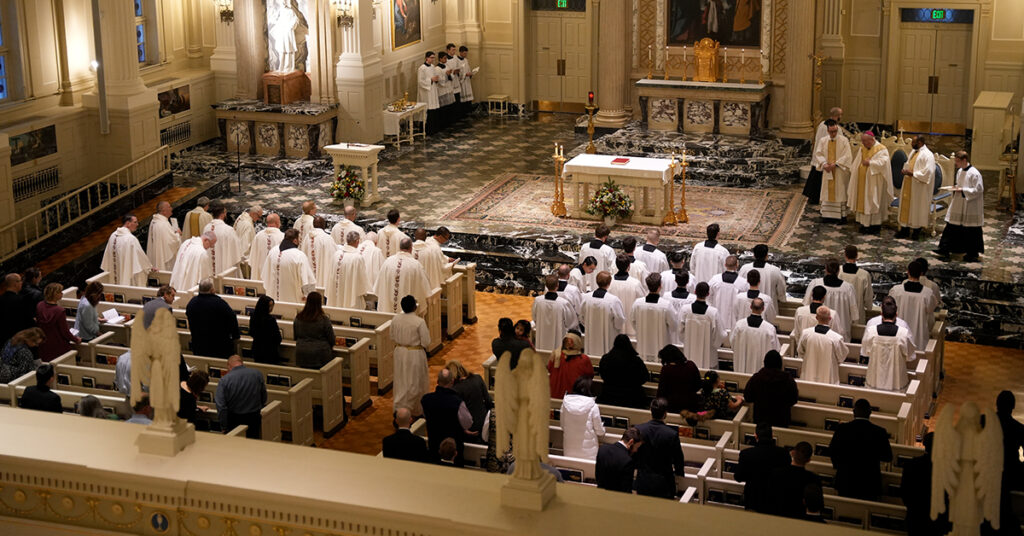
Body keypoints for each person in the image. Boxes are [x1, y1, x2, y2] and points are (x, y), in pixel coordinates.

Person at [829, 398, 893, 500]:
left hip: (845, 480)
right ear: (870, 412)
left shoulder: (842, 429)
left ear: (853, 412)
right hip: (870, 482)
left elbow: (832, 451)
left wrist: (839, 467)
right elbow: (888, 457)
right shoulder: (879, 432)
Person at [935, 150, 984, 262]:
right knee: (952, 226)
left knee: (971, 230)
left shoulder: (974, 173)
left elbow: (978, 190)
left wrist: (962, 190)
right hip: (959, 203)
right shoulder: (960, 171)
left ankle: (972, 253)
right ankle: (945, 249)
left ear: (964, 160)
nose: (956, 163)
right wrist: (955, 187)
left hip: (970, 205)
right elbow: (960, 184)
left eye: (957, 161)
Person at [900, 432, 952, 536]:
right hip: (938, 519)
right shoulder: (948, 470)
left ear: (924, 444)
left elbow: (904, 492)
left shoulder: (911, 465)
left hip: (915, 516)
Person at [634, 397, 686, 499]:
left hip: (643, 481)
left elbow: (633, 453)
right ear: (665, 414)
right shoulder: (671, 434)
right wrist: (680, 473)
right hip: (664, 483)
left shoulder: (639, 429)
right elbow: (678, 458)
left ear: (651, 411)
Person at [420, 368, 474, 465]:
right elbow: (468, 423)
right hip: (453, 450)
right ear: (452, 381)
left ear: (437, 382)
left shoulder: (426, 399)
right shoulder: (458, 402)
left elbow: (426, 416)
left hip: (434, 446)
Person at [734, 421, 791, 513]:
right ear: (772, 436)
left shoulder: (746, 454)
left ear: (755, 436)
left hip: (753, 500)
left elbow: (738, 477)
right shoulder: (784, 454)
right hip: (776, 499)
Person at [862, 300, 916, 391]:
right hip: (897, 380)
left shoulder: (871, 331)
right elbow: (910, 356)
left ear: (881, 314)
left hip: (874, 378)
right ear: (896, 315)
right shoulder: (903, 333)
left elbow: (865, 352)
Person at [848, 131, 894, 235]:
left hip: (875, 182)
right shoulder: (862, 148)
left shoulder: (881, 149)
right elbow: (857, 162)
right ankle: (864, 225)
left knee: (873, 202)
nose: (863, 143)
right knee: (863, 202)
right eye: (862, 141)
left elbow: (884, 163)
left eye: (865, 141)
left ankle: (875, 226)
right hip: (862, 182)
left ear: (872, 140)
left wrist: (870, 163)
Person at [392, 295, 431, 416]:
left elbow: (392, 336)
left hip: (399, 352)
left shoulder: (396, 319)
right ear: (414, 307)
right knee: (415, 382)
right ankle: (415, 410)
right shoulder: (419, 321)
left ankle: (399, 409)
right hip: (414, 353)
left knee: (401, 381)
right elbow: (426, 341)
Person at [887, 260, 938, 352]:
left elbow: (889, 308)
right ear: (921, 273)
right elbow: (931, 309)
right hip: (918, 334)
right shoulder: (927, 293)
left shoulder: (896, 291)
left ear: (908, 272)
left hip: (899, 331)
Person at [802, 260, 858, 341]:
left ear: (826, 269)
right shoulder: (848, 288)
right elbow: (854, 314)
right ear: (839, 271)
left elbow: (806, 305)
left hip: (817, 331)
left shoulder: (816, 284)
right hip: (840, 330)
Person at [215, 355, 267, 439]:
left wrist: (224, 426)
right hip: (254, 417)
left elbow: (221, 406)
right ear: (242, 363)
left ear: (229, 365)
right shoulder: (257, 374)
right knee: (254, 444)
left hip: (235, 420)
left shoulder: (225, 380)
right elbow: (263, 396)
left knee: (237, 447)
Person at [811, 118, 853, 223]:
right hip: (827, 171)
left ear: (837, 129)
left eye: (835, 131)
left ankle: (841, 216)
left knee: (840, 192)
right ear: (827, 131)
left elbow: (847, 155)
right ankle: (827, 215)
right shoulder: (823, 140)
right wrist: (824, 164)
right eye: (831, 131)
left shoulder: (844, 141)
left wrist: (836, 164)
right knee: (826, 192)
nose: (833, 133)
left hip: (839, 171)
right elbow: (818, 154)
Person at [374, 238, 430, 315]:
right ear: (411, 248)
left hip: (387, 313)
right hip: (407, 313)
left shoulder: (387, 262)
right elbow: (424, 288)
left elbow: (379, 286)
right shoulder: (415, 265)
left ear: (399, 248)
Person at [186, 279, 240, 358]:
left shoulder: (192, 303)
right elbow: (232, 319)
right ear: (212, 290)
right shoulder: (220, 303)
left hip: (199, 345)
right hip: (219, 346)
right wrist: (236, 337)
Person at [743, 350, 798, 427]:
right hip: (781, 421)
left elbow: (748, 397)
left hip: (761, 423)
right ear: (780, 363)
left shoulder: (757, 378)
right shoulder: (788, 379)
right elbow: (793, 399)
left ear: (765, 362)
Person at [896, 135, 936, 240]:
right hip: (909, 184)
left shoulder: (928, 155)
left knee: (917, 208)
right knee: (907, 208)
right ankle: (904, 230)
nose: (911, 144)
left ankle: (916, 232)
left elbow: (929, 172)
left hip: (919, 187)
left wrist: (913, 173)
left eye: (913, 142)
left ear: (920, 142)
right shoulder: (914, 152)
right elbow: (908, 164)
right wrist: (905, 170)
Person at [631, 274, 678, 362]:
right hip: (661, 346)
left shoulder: (638, 303)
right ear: (660, 286)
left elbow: (633, 322)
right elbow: (674, 325)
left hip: (643, 344)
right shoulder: (666, 305)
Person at [596, 334, 650, 409]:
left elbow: (602, 375)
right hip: (632, 398)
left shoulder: (606, 358)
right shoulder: (635, 360)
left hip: (608, 396)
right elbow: (645, 377)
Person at [679, 282, 725, 370]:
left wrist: (687, 340)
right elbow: (720, 334)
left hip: (690, 351)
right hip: (708, 354)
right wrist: (715, 344)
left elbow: (680, 331)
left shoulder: (685, 310)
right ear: (708, 294)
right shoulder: (713, 312)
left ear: (695, 292)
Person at [262, 228, 315, 303]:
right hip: (293, 301)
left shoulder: (272, 251)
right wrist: (308, 296)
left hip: (272, 301)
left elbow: (265, 276)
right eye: (299, 239)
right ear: (295, 241)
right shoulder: (299, 255)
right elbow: (308, 280)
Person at [579, 271, 625, 357]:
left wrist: (589, 324)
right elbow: (620, 320)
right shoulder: (613, 300)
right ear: (609, 283)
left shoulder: (586, 298)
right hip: (608, 336)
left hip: (591, 334)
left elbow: (581, 317)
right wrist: (615, 327)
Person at [559, 376, 606, 460]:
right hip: (589, 453)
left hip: (569, 449)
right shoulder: (593, 406)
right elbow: (600, 432)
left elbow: (562, 426)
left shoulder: (565, 404)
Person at [797, 306, 846, 384]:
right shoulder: (836, 338)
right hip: (828, 377)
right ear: (830, 318)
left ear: (816, 317)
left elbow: (800, 351)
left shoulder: (806, 333)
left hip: (809, 374)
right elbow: (841, 357)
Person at [730, 298, 781, 374]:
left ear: (750, 307)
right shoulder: (769, 328)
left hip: (741, 366)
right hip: (760, 371)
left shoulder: (739, 325)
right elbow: (775, 350)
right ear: (763, 309)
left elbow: (732, 343)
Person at [100, 213, 153, 286]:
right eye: (135, 222)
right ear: (128, 223)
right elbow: (141, 258)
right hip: (126, 274)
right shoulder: (131, 239)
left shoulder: (113, 235)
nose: (137, 224)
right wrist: (150, 267)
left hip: (115, 274)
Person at [773, 441, 822, 519]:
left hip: (777, 517)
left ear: (792, 453)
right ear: (809, 460)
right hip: (800, 519)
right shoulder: (814, 479)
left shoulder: (776, 474)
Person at [446, 360, 491, 442]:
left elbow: (456, 414)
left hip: (469, 428)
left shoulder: (454, 389)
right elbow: (488, 401)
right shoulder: (477, 378)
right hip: (485, 421)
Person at [531, 274, 577, 352]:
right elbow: (571, 323)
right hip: (558, 338)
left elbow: (534, 318)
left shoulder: (538, 300)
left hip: (541, 336)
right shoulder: (563, 303)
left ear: (546, 285)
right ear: (557, 285)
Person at [325, 231, 369, 310]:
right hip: (350, 293)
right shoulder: (357, 258)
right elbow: (361, 279)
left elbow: (330, 275)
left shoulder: (336, 254)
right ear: (357, 241)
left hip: (336, 293)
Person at [36, 283, 79, 362]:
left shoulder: (40, 305)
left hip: (44, 342)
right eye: (60, 292)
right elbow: (65, 331)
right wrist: (76, 339)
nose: (62, 294)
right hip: (58, 344)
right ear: (55, 294)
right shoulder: (59, 311)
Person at [293, 291, 335, 369]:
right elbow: (331, 338)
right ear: (319, 303)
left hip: (302, 352)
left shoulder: (298, 317)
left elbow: (295, 336)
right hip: (320, 353)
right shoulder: (323, 319)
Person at [738, 244, 786, 309]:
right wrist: (781, 298)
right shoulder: (775, 270)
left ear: (754, 256)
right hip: (767, 307)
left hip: (747, 306)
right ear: (767, 256)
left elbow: (739, 287)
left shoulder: (744, 269)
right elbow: (781, 289)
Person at [608, 255, 646, 338]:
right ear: (629, 266)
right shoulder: (635, 284)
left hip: (613, 326)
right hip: (631, 327)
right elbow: (642, 302)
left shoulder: (609, 282)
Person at [655, 344, 700, 414]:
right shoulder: (691, 365)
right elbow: (698, 385)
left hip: (673, 407)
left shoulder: (666, 369)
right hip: (691, 406)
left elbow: (661, 392)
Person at [707, 255, 749, 330]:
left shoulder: (715, 279)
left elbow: (708, 297)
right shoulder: (743, 283)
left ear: (725, 265)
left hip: (716, 318)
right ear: (737, 265)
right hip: (734, 320)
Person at [596, 426, 642, 493]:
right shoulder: (628, 461)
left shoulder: (603, 449)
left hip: (600, 494)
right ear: (631, 442)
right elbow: (626, 488)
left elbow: (598, 477)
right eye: (637, 447)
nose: (636, 450)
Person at [790, 285, 836, 353]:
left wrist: (800, 347)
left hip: (804, 349)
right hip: (823, 351)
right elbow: (834, 334)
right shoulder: (832, 314)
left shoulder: (800, 311)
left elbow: (797, 332)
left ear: (811, 295)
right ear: (824, 297)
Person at [547, 332, 592, 399]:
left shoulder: (555, 355)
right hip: (573, 400)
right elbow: (590, 376)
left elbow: (549, 369)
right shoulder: (584, 359)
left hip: (553, 396)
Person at [202, 202, 243, 275]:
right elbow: (236, 252)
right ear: (222, 214)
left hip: (209, 269)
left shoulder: (206, 228)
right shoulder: (228, 230)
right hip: (224, 268)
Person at [838, 244, 874, 324]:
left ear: (845, 255)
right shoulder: (864, 274)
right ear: (857, 256)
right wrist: (869, 307)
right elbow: (868, 297)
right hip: (857, 313)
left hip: (840, 312)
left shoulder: (838, 271)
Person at [300, 216, 337, 289]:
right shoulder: (327, 238)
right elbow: (334, 255)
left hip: (308, 276)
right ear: (324, 225)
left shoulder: (307, 237)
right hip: (323, 276)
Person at [578, 225, 616, 292]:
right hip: (602, 285)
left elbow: (580, 264)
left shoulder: (584, 247)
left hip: (585, 285)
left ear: (595, 234)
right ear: (606, 237)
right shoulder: (608, 250)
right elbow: (613, 269)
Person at [248, 213, 284, 281]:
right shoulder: (282, 237)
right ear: (277, 222)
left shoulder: (258, 236)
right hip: (275, 276)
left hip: (260, 276)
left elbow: (252, 259)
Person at [147, 201, 181, 271]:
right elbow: (172, 242)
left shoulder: (154, 221)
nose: (171, 208)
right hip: (165, 258)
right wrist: (178, 234)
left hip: (158, 254)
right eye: (169, 207)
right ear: (164, 211)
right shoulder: (163, 224)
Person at [249, 295, 283, 364]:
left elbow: (251, 332)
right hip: (270, 351)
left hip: (257, 349)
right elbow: (277, 338)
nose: (271, 308)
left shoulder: (253, 317)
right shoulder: (270, 320)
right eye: (269, 306)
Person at [233, 206, 263, 273]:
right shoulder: (248, 225)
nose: (258, 219)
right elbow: (245, 245)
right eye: (258, 216)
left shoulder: (240, 217)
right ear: (253, 214)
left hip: (236, 253)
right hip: (243, 260)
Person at [418, 52, 442, 134]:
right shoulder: (422, 68)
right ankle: (427, 129)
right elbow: (420, 81)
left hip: (433, 90)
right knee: (428, 110)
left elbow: (435, 76)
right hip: (426, 92)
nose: (432, 59)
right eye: (431, 57)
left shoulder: (432, 67)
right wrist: (431, 80)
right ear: (426, 58)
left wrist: (436, 79)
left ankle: (434, 128)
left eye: (433, 58)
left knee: (434, 109)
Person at [0, 273, 27, 346]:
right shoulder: (20, 300)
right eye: (20, 281)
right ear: (15, 284)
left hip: (5, 339)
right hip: (20, 339)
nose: (22, 283)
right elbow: (25, 320)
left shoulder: (1, 299)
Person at [456, 46, 475, 111]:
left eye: (466, 53)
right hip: (461, 81)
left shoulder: (466, 60)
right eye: (464, 53)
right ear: (460, 52)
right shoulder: (457, 60)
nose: (465, 55)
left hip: (467, 80)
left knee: (468, 97)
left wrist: (471, 73)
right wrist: (464, 74)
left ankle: (468, 109)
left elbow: (468, 69)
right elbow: (458, 71)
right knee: (462, 96)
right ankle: (463, 110)